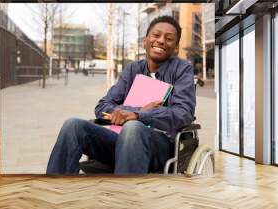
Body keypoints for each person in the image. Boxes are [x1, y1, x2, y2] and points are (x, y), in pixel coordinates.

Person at [46, 15, 196, 174]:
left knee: (133, 128)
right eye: (156, 35)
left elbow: (183, 113)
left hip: (160, 146)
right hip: (119, 140)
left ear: (176, 48)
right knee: (73, 125)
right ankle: (56, 189)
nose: (160, 41)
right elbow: (103, 106)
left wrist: (139, 116)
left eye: (169, 38)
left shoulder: (182, 69)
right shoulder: (133, 69)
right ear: (145, 40)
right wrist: (135, 112)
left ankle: (123, 197)